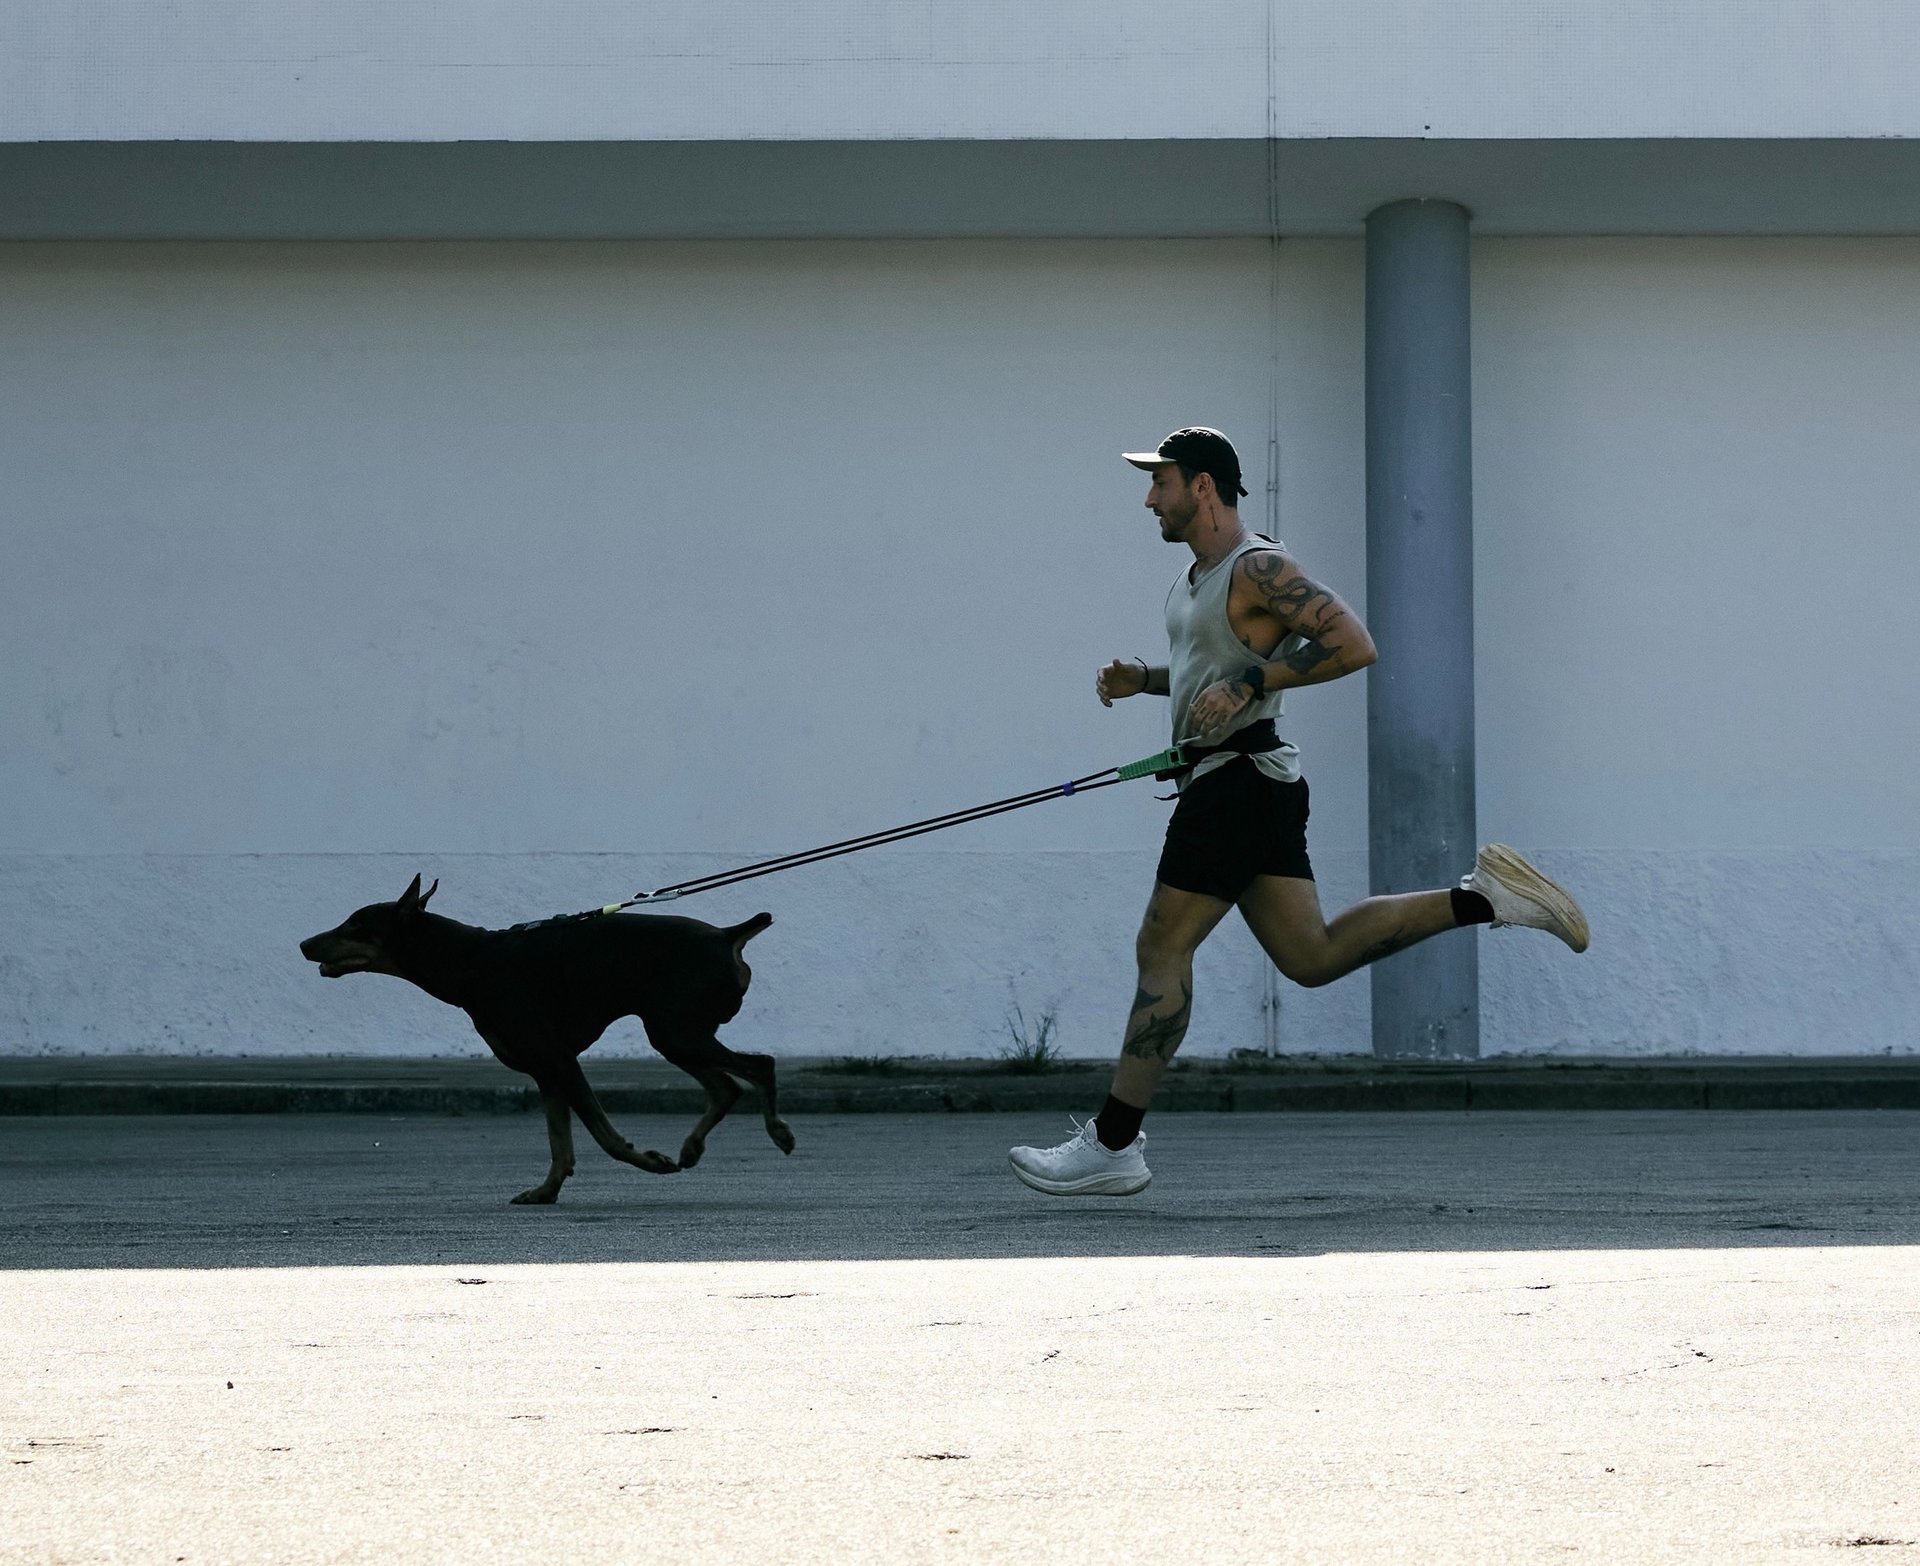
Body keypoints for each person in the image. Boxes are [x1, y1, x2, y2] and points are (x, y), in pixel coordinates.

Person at [1008, 427, 1588, 1197]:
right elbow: (1213, 669)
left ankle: (1113, 1144)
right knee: (1310, 957)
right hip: (1247, 783)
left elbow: (1352, 642)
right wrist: (1145, 679)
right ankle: (1485, 897)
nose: (1149, 499)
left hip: (1238, 784)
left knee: (1161, 946)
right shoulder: (1195, 580)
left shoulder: (1259, 567)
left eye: (1161, 482)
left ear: (1204, 486)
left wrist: (1253, 683)